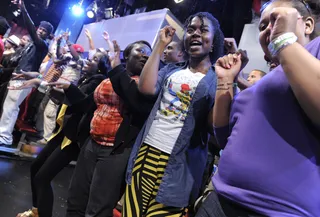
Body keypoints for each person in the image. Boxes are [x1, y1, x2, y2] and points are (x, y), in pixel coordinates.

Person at [195, 0, 320, 216]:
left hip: (278, 210)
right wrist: (225, 81)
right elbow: (224, 136)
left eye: (275, 20)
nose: (269, 30)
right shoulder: (261, 84)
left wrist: (283, 42)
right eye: (262, 27)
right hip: (218, 200)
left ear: (307, 25)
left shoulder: (316, 50)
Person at [122, 12, 224, 217]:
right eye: (191, 29)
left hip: (180, 165)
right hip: (147, 152)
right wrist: (160, 45)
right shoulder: (171, 70)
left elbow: (215, 127)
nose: (195, 34)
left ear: (213, 42)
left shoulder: (217, 79)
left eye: (203, 30)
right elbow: (146, 88)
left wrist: (226, 80)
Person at [63, 40, 152, 217]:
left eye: (149, 53)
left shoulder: (146, 85)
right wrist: (66, 91)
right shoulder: (110, 78)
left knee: (98, 207)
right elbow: (89, 104)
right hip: (92, 143)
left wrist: (117, 68)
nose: (145, 55)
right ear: (127, 55)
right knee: (76, 199)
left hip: (115, 150)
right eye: (140, 51)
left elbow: (133, 99)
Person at [13, 51, 108, 217]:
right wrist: (38, 82)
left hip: (74, 138)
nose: (87, 61)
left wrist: (41, 83)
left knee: (42, 177)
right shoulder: (86, 78)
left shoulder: (98, 81)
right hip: (64, 130)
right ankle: (37, 211)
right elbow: (65, 97)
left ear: (101, 66)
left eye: (94, 59)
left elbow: (81, 104)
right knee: (36, 168)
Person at [0, 0, 53, 147]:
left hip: (24, 80)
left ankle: (5, 137)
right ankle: (3, 134)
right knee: (8, 107)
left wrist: (24, 10)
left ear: (48, 35)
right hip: (18, 77)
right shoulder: (31, 44)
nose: (40, 31)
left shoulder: (42, 45)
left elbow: (31, 30)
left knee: (11, 107)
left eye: (44, 31)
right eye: (40, 29)